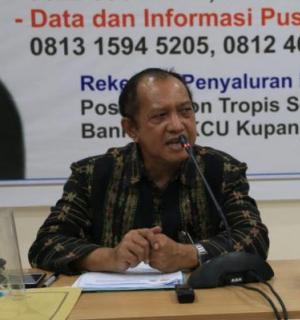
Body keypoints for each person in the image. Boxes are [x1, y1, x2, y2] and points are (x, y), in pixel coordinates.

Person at [29, 68, 269, 274]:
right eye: (160, 115)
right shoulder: (92, 175)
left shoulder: (222, 170)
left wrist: (187, 254)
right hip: (116, 307)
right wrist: (111, 257)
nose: (177, 125)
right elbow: (46, 245)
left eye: (185, 111)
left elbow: (254, 238)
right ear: (131, 128)